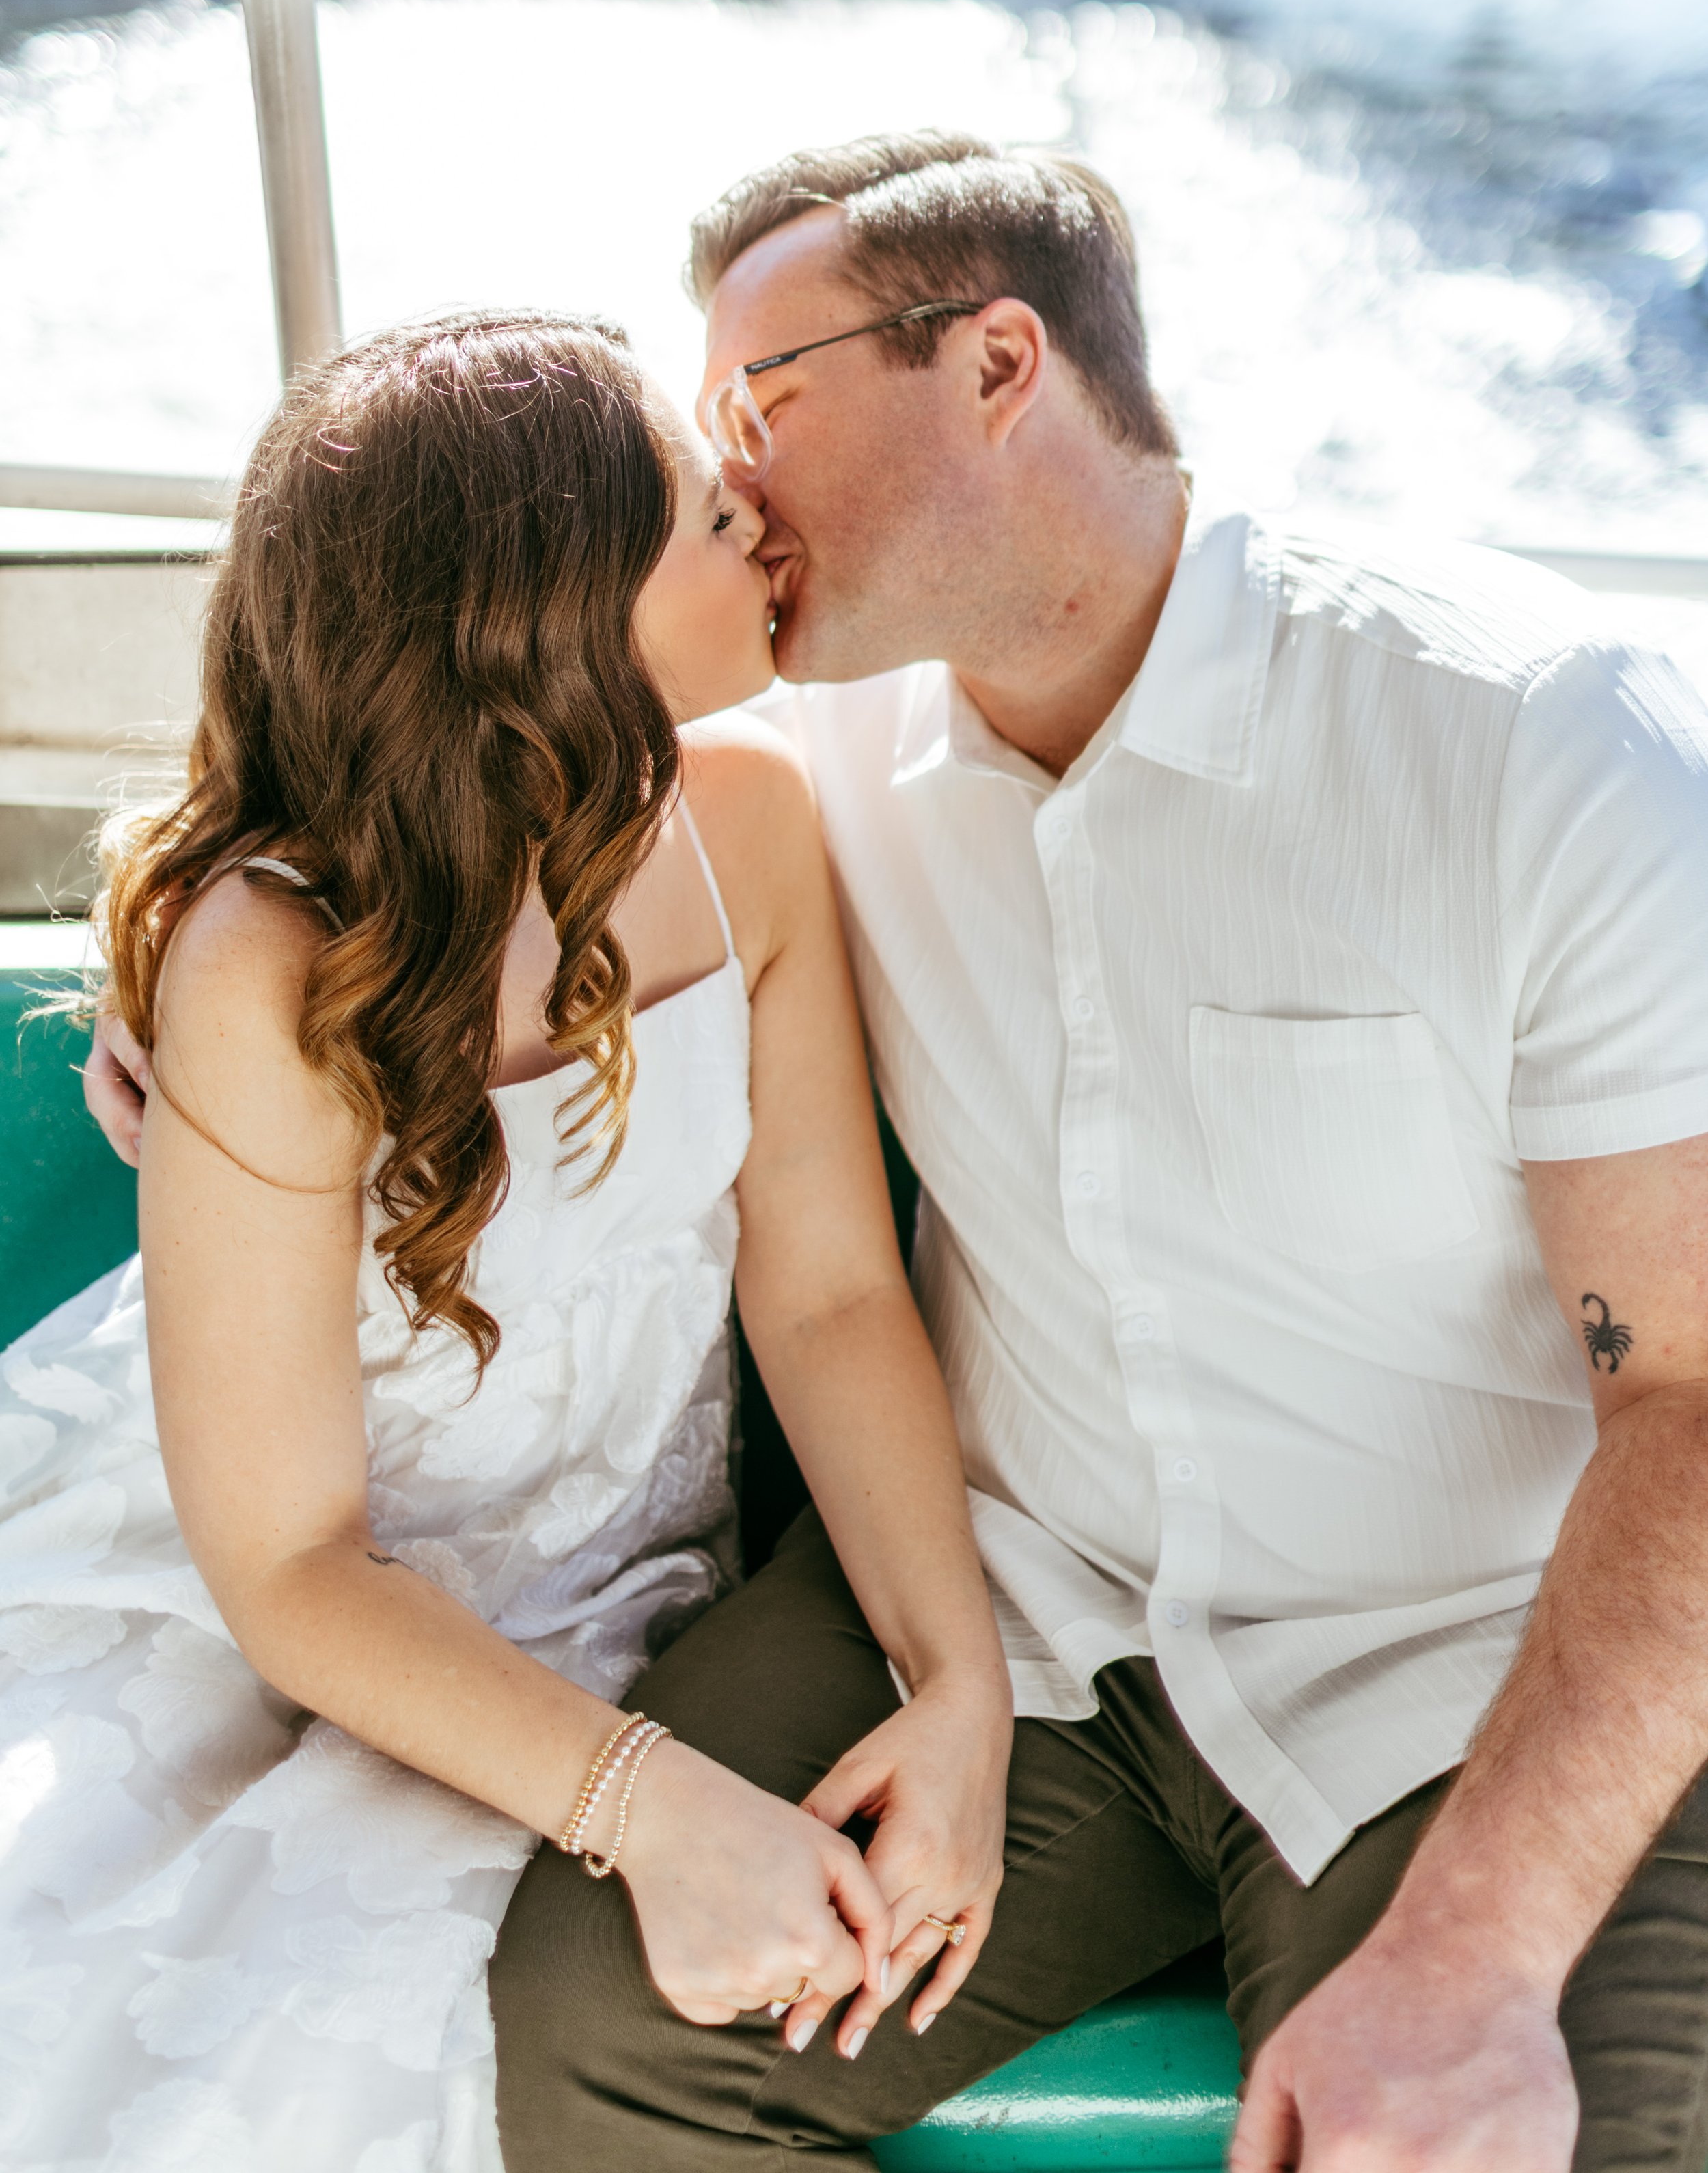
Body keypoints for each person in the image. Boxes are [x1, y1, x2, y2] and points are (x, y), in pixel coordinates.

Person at [468, 135, 1708, 2173]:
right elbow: (415, 766)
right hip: (1013, 1612)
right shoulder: (811, 754)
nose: (731, 488)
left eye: (759, 409)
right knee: (602, 2027)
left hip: (1459, 1662)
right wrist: (191, 982)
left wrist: (1474, 1956)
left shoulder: (1533, 739)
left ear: (996, 363)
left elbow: (1689, 1386)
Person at [8, 309, 1013, 2172]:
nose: (763, 527)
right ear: (547, 623)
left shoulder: (754, 821)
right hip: (271, 1584)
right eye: (709, 522)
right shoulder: (273, 963)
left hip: (607, 1583)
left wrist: (957, 1679)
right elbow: (292, 1564)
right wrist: (657, 1810)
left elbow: (829, 1287)